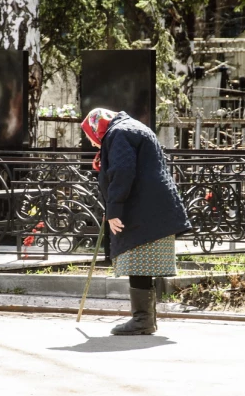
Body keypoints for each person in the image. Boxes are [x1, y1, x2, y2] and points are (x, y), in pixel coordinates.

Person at [81, 108, 191, 335]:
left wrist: (114, 209)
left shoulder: (119, 132)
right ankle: (145, 320)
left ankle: (142, 321)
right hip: (151, 206)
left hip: (142, 208)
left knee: (139, 262)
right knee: (143, 264)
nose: (93, 144)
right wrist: (113, 205)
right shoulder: (131, 127)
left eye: (91, 138)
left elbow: (122, 170)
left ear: (96, 128)